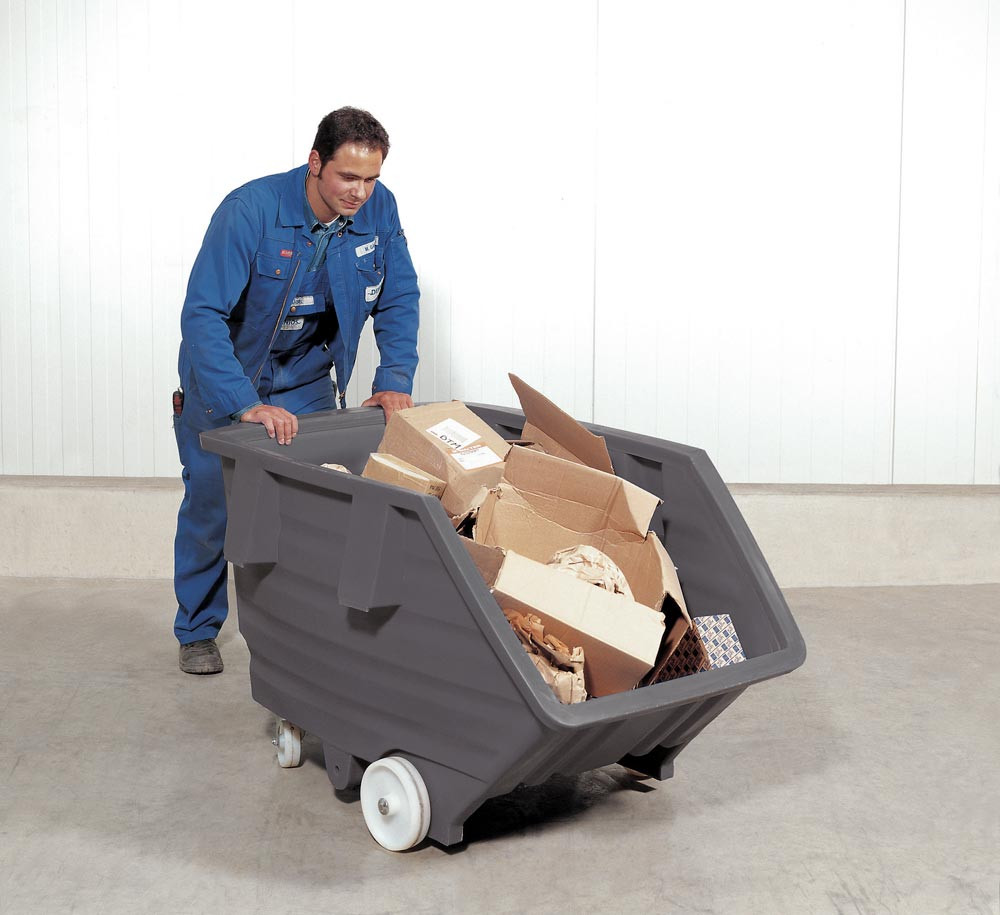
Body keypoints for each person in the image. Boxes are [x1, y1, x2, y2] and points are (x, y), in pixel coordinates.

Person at [172, 106, 419, 674]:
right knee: (214, 508)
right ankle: (197, 630)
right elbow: (202, 314)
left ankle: (305, 634)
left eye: (372, 178)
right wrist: (243, 403)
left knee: (315, 506)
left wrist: (393, 381)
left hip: (304, 379)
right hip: (226, 382)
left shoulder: (379, 208)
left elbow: (400, 295)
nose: (361, 192)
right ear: (315, 163)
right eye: (348, 177)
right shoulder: (249, 211)